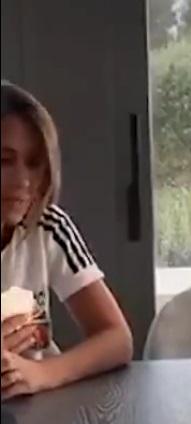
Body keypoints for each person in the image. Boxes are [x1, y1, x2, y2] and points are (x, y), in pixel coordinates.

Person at [1, 81, 133, 401]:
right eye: (4, 161)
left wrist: (41, 374)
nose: (24, 181)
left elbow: (117, 338)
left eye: (35, 163)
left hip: (38, 410)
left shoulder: (48, 227)